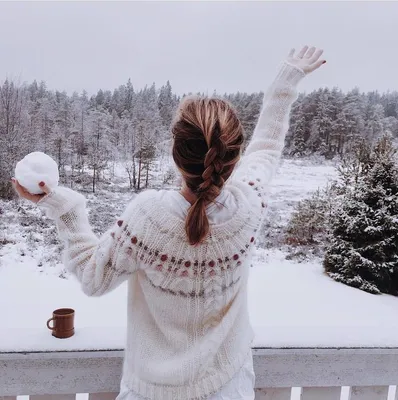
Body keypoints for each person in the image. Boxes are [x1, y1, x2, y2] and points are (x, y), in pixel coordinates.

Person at [12, 46, 325, 400]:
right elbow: (266, 148)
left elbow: (92, 277)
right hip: (228, 387)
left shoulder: (148, 217)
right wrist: (284, 84)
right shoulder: (248, 206)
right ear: (233, 158)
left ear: (176, 156)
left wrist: (63, 206)